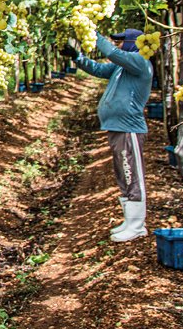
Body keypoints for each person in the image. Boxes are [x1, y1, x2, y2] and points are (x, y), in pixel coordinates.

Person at [62, 29, 153, 242]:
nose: (118, 45)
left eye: (121, 42)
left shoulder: (140, 62)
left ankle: (138, 225)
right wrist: (77, 57)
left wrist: (92, 33)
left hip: (129, 128)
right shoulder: (122, 69)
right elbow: (100, 69)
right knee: (123, 173)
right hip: (116, 126)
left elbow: (111, 53)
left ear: (132, 42)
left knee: (132, 174)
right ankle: (130, 221)